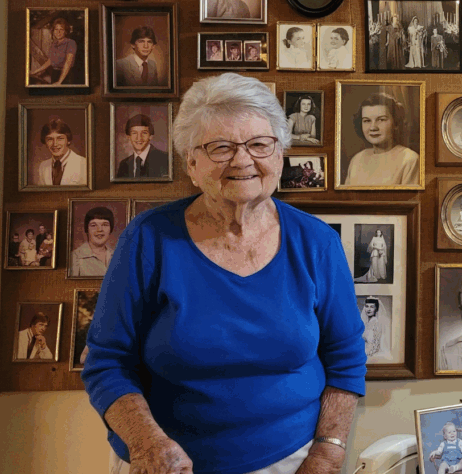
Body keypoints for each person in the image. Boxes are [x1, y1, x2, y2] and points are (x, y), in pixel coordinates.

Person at [81, 73, 366, 474]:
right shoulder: (147, 238)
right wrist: (148, 443)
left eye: (259, 144)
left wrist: (327, 454)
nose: (242, 160)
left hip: (293, 461)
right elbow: (106, 361)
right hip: (166, 461)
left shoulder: (317, 242)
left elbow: (346, 359)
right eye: (220, 147)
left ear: (280, 154)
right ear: (192, 164)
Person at [344, 92, 420, 186]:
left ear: (395, 123)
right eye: (367, 121)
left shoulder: (410, 159)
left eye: (381, 119)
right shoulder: (356, 159)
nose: (373, 127)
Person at [36, 118, 87, 186]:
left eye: (60, 138)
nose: (55, 144)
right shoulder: (43, 166)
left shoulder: (84, 164)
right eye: (50, 139)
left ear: (68, 140)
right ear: (45, 142)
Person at [115, 114, 169, 179]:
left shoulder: (165, 159)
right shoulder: (124, 165)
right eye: (134, 133)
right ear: (128, 137)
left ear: (151, 136)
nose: (139, 138)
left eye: (144, 133)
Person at [29, 17, 78, 86]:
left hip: (67, 76)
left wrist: (59, 82)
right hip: (55, 73)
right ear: (53, 31)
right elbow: (50, 61)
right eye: (56, 29)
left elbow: (68, 63)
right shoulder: (54, 44)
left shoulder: (71, 43)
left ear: (66, 31)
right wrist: (35, 72)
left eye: (61, 29)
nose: (58, 32)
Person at [69, 206, 116, 277]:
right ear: (86, 229)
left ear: (110, 229)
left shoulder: (117, 256)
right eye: (93, 225)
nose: (100, 229)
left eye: (105, 225)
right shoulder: (74, 258)